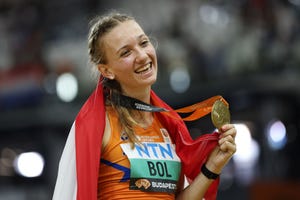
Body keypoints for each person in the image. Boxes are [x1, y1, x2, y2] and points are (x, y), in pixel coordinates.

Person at [52, 11, 236, 200]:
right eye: (126, 52)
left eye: (144, 43)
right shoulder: (94, 125)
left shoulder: (169, 124)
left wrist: (212, 167)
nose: (142, 55)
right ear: (106, 70)